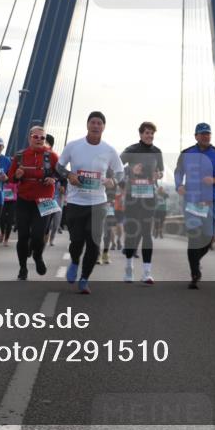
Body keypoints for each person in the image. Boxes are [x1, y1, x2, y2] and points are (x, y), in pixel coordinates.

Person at [56, 111, 125, 294]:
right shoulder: (73, 146)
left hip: (98, 203)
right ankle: (75, 261)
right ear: (87, 125)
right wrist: (69, 175)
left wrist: (114, 181)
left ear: (103, 127)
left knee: (94, 243)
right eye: (93, 122)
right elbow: (59, 166)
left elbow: (119, 172)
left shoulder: (109, 150)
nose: (96, 126)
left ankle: (85, 278)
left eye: (99, 123)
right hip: (75, 202)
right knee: (76, 241)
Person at [174, 122, 215, 290]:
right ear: (196, 136)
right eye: (202, 134)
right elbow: (178, 172)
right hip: (191, 202)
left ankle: (196, 260)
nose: (206, 136)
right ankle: (194, 274)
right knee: (193, 238)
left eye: (208, 133)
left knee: (208, 239)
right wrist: (179, 185)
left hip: (210, 203)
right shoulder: (186, 153)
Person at [6, 126, 59, 280]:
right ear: (29, 138)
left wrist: (53, 178)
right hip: (24, 199)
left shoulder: (52, 156)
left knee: (38, 235)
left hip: (44, 200)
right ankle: (23, 268)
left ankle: (37, 256)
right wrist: (17, 174)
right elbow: (11, 178)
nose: (39, 140)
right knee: (23, 236)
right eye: (36, 137)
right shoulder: (20, 156)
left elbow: (60, 173)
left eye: (42, 138)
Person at [121, 122, 164, 284]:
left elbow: (160, 171)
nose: (149, 136)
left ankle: (147, 273)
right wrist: (131, 170)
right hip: (133, 196)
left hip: (149, 196)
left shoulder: (157, 152)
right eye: (147, 133)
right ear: (140, 134)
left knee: (147, 232)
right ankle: (129, 268)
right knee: (132, 232)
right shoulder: (131, 150)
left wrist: (158, 175)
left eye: (152, 134)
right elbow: (116, 168)